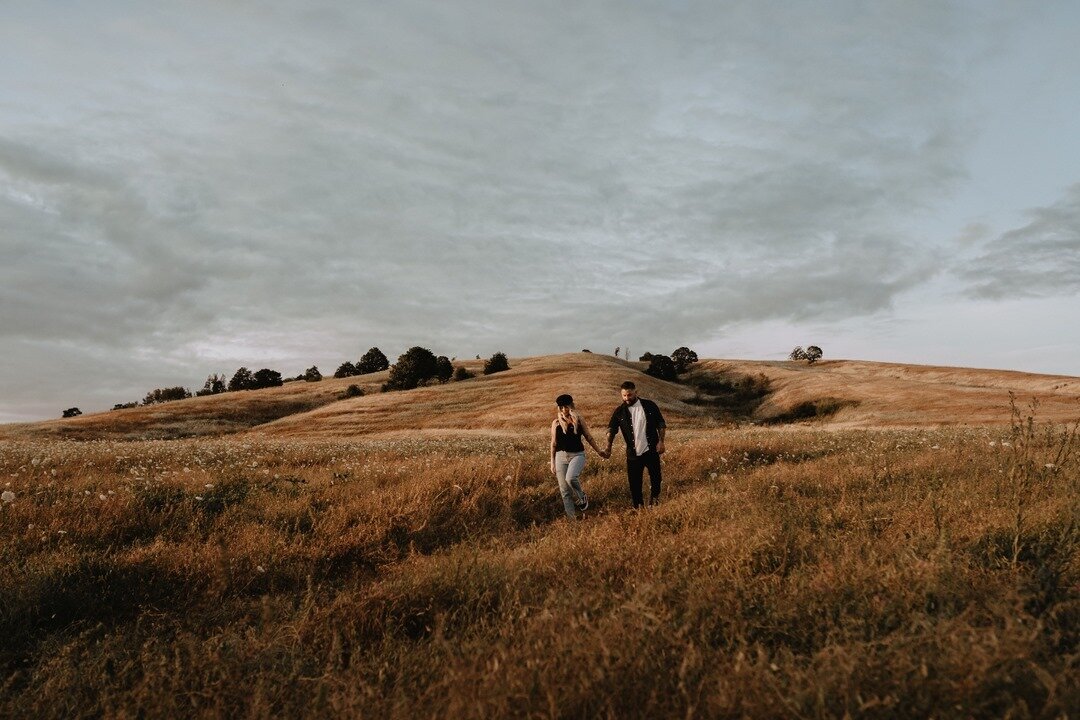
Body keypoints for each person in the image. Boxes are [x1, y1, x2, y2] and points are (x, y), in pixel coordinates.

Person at [603, 380, 667, 508]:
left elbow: (661, 424)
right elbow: (611, 430)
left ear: (636, 392)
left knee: (656, 478)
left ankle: (654, 502)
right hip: (633, 454)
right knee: (634, 483)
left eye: (630, 395)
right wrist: (608, 447)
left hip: (651, 450)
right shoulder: (619, 412)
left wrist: (661, 442)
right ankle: (638, 507)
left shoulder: (649, 406)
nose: (627, 398)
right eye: (624, 395)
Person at [549, 394, 604, 519]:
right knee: (564, 491)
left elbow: (588, 437)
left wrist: (599, 451)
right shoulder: (556, 423)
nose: (564, 410)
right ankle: (572, 518)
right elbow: (553, 443)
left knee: (571, 478)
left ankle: (582, 496)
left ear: (571, 406)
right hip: (560, 457)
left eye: (566, 407)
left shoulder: (578, 420)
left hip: (577, 455)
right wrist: (552, 462)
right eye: (561, 407)